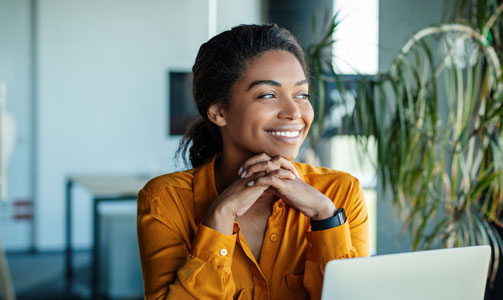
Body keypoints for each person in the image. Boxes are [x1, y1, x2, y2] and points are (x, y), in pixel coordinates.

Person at [137, 24, 369, 300]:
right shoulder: (165, 200)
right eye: (268, 95)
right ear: (219, 111)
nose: (295, 111)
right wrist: (219, 219)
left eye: (302, 95)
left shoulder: (339, 194)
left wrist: (326, 219)